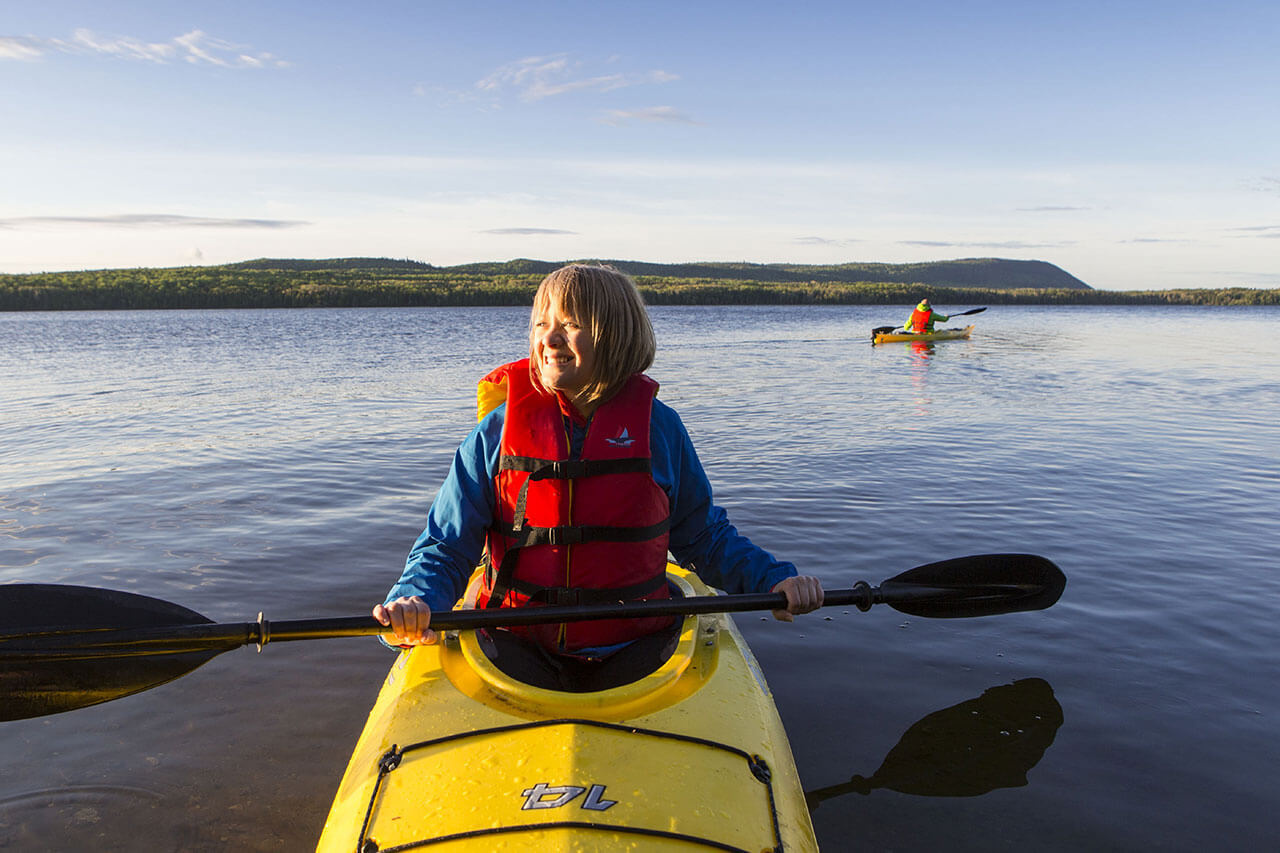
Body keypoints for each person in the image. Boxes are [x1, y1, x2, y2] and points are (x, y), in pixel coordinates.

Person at [372, 263, 823, 690]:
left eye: (570, 324)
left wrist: (773, 580)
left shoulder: (659, 429)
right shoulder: (495, 434)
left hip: (637, 646)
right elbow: (447, 544)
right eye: (540, 323)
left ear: (616, 336)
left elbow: (704, 537)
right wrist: (414, 600)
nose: (549, 337)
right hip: (512, 642)